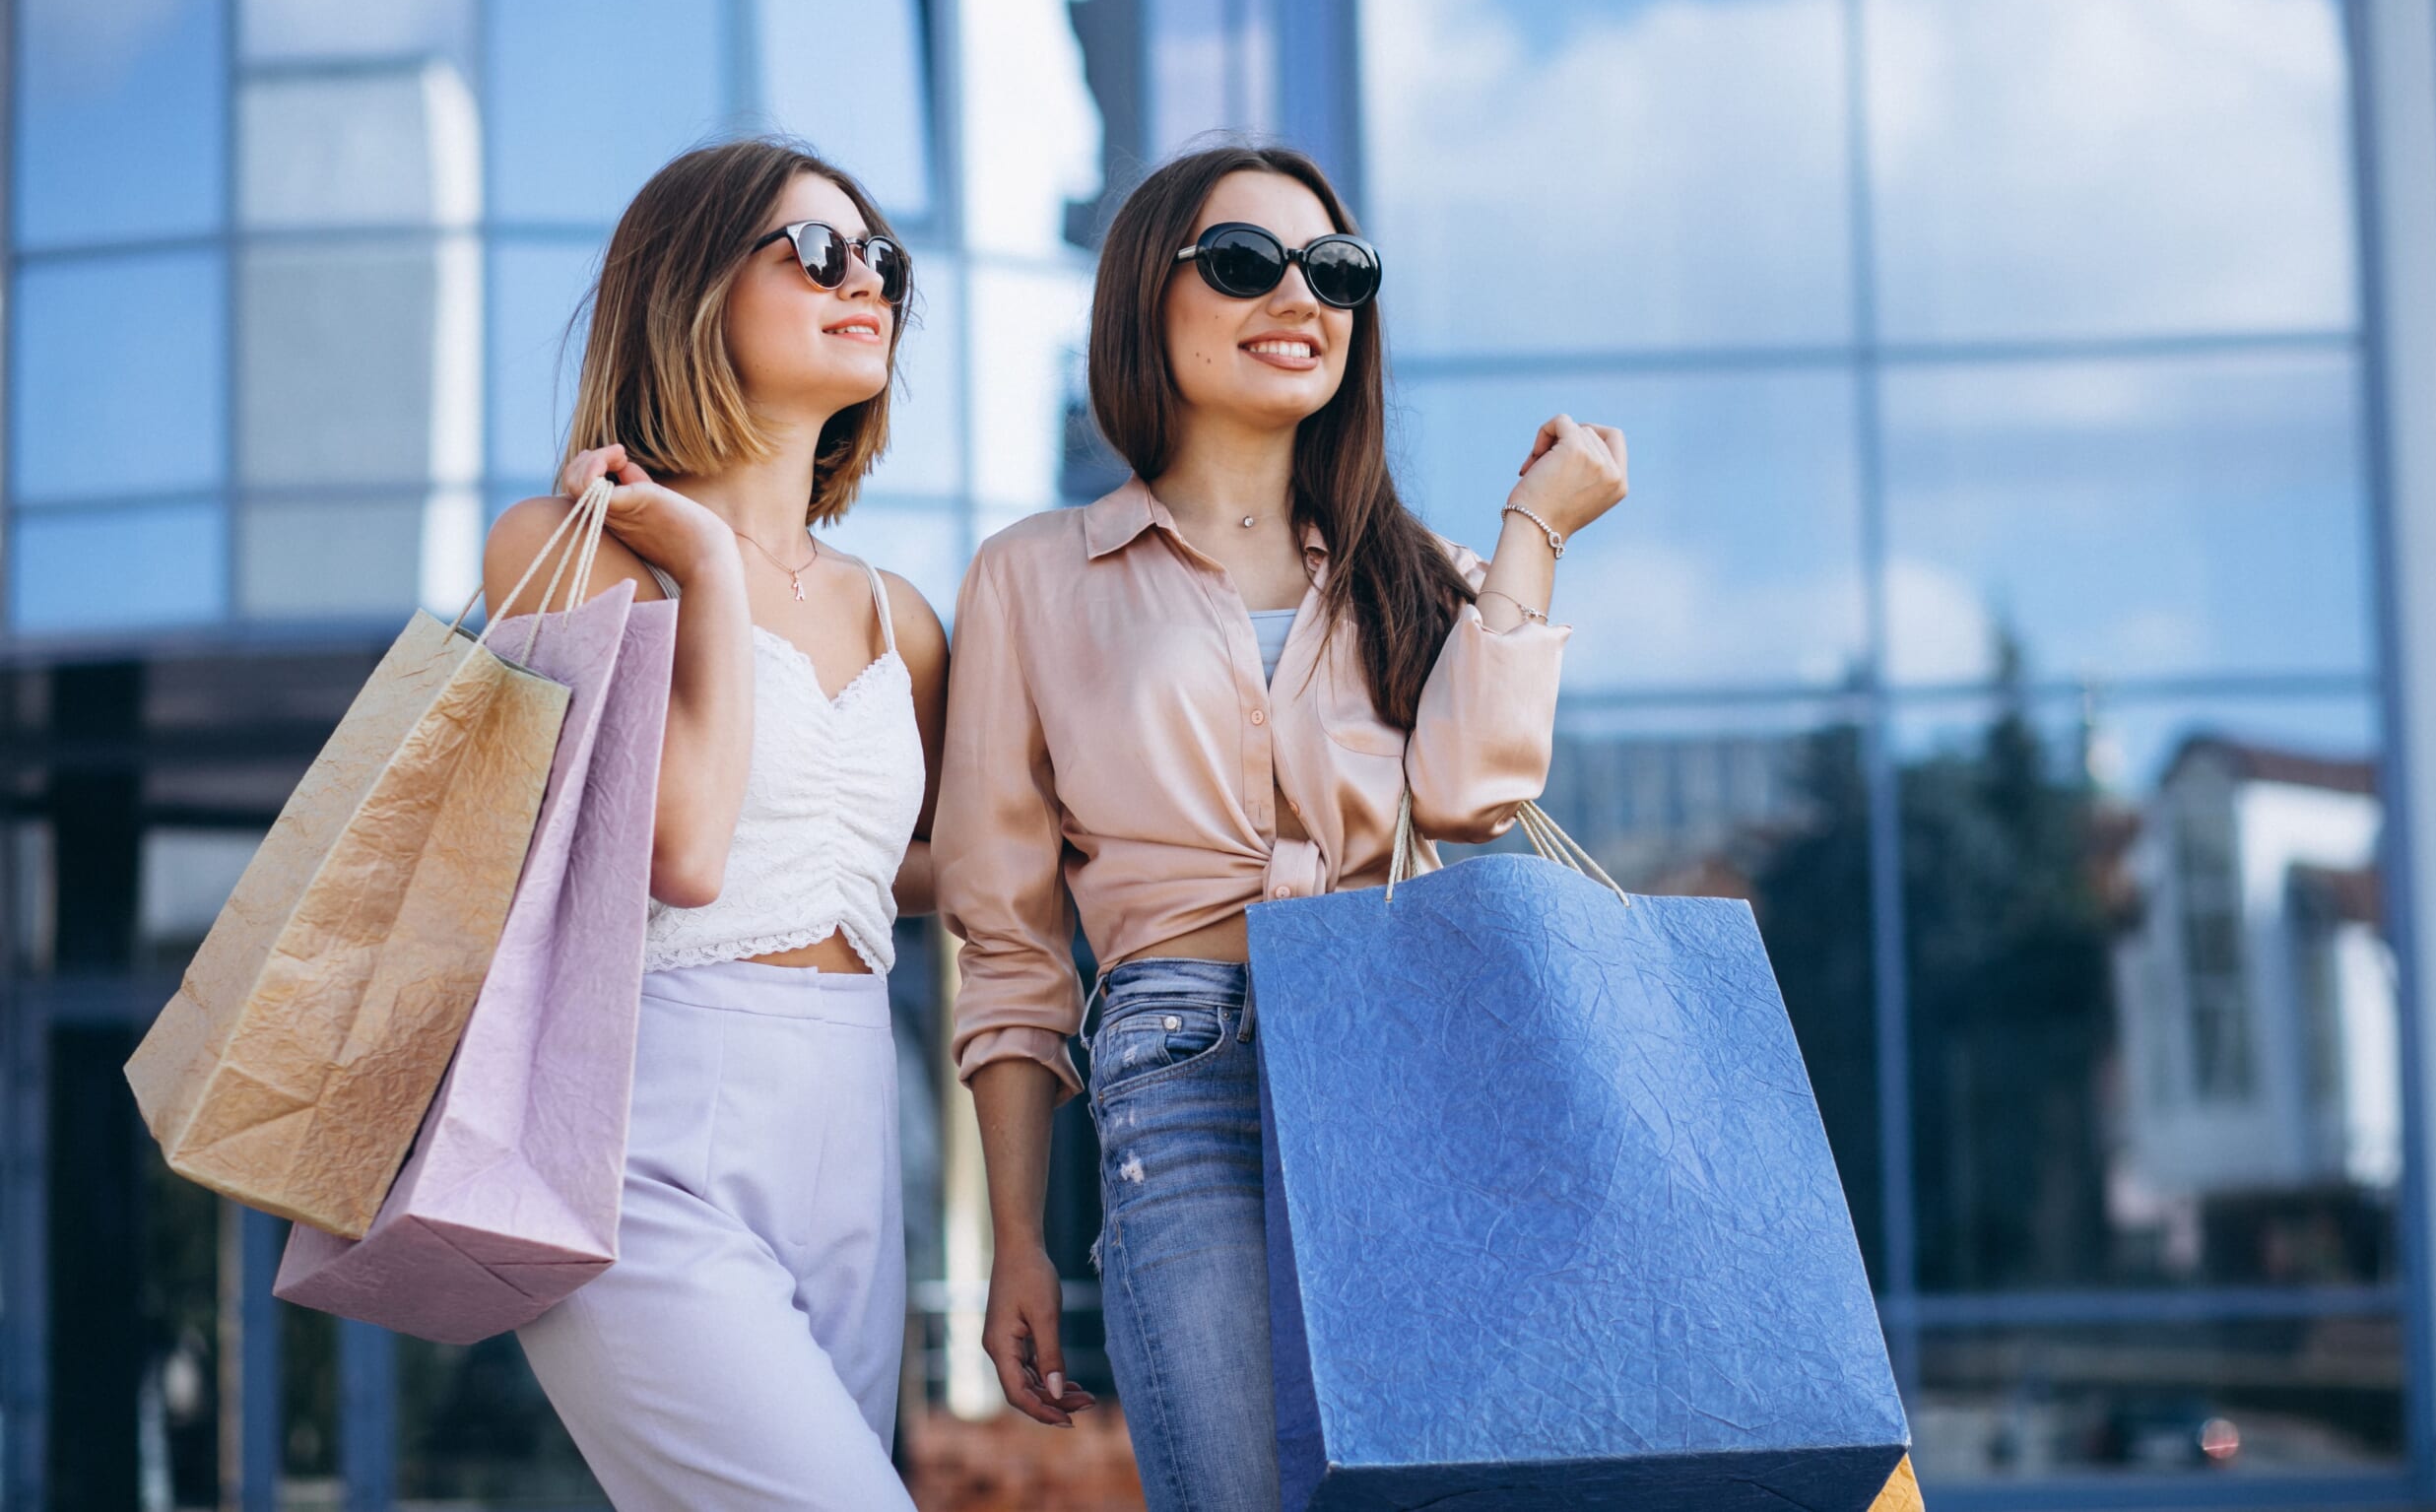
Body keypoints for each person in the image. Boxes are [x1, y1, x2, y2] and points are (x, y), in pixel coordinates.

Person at [935, 143, 1628, 1510]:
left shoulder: (1414, 570)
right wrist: (1017, 1237)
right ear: (1149, 299)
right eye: (1245, 264)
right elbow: (1007, 947)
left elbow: (1475, 792)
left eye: (1336, 272)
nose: (1298, 297)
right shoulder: (1031, 577)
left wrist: (1534, 532)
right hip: (1176, 1064)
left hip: (1400, 1053)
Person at [482, 138, 945, 1512]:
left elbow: (897, 869)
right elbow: (681, 849)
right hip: (642, 1138)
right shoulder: (560, 546)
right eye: (815, 251)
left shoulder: (899, 614)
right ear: (690, 290)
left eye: (883, 262)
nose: (862, 280)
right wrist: (702, 566)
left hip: (864, 1127)